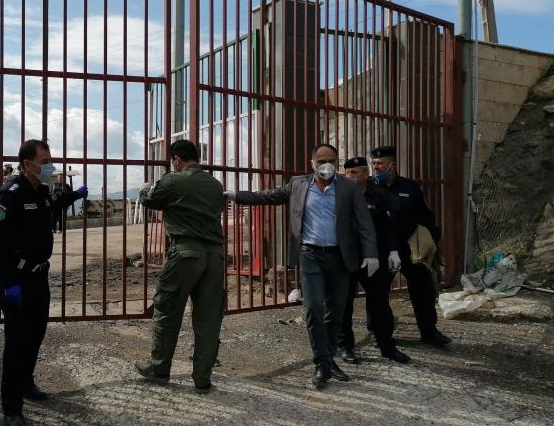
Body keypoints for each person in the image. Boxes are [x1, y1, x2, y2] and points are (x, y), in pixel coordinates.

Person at [227, 144, 378, 388]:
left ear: (337, 162)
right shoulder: (299, 184)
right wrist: (236, 196)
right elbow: (269, 196)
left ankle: (327, 360)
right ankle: (321, 363)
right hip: (310, 255)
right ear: (312, 163)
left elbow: (364, 222)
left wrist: (371, 253)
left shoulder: (348, 187)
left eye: (331, 160)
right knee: (314, 307)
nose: (326, 165)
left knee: (336, 311)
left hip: (340, 257)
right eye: (321, 160)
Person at [0, 139, 87, 426]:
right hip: (17, 279)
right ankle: (11, 407)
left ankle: (27, 383)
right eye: (44, 161)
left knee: (35, 335)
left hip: (39, 277)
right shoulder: (10, 195)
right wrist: (8, 284)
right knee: (16, 343)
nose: (50, 165)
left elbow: (54, 207)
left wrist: (75, 195)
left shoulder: (41, 191)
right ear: (27, 165)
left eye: (50, 159)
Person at [132, 140, 226, 394]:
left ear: (176, 159)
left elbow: (150, 200)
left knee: (168, 309)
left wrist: (144, 190)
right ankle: (202, 378)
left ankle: (159, 368)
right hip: (215, 256)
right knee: (208, 318)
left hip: (185, 254)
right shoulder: (216, 185)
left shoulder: (175, 180)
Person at [370, 146, 451, 347]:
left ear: (393, 165)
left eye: (380, 163)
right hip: (381, 248)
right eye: (373, 163)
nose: (375, 167)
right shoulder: (369, 188)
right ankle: (379, 333)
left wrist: (431, 241)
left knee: (422, 288)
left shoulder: (410, 188)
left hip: (408, 247)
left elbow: (425, 216)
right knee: (378, 291)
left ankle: (429, 331)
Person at [337, 157, 410, 364]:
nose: (350, 176)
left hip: (374, 258)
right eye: (347, 173)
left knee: (379, 303)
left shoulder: (379, 196)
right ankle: (345, 346)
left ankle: (386, 345)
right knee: (344, 303)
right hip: (348, 258)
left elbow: (389, 226)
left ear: (365, 175)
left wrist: (393, 251)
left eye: (355, 172)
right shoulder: (339, 195)